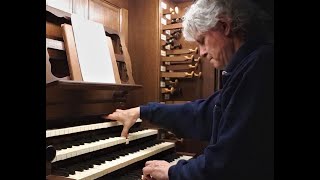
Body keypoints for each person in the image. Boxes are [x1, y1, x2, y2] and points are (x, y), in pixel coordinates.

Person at [103, 0, 274, 179]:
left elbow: (228, 163)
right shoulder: (247, 67)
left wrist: (173, 171)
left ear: (224, 26)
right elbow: (201, 114)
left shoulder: (260, 66)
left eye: (202, 41)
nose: (201, 53)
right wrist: (141, 111)